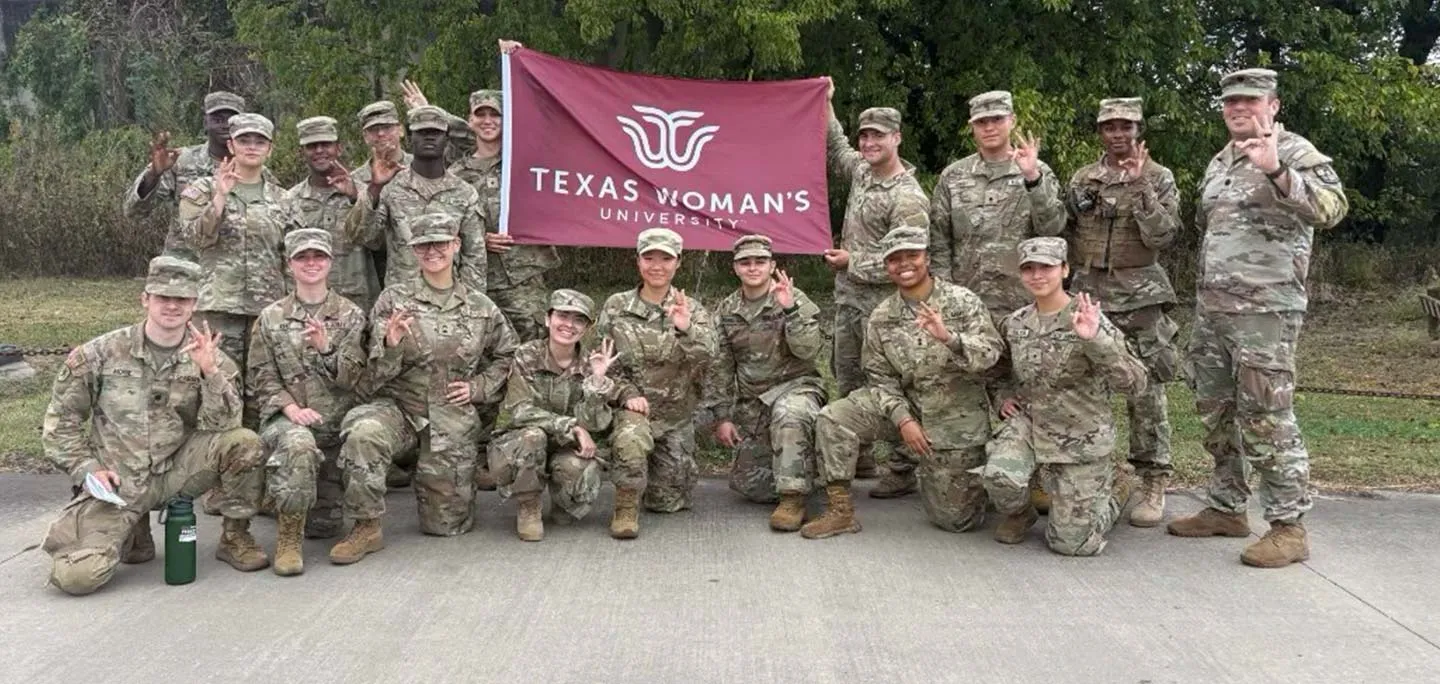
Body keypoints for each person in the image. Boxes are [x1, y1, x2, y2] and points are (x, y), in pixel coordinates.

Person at [1166, 68, 1348, 568]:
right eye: (1231, 103)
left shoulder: (1295, 154)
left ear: (1273, 105)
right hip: (1215, 311)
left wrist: (1277, 171)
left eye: (1250, 101)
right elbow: (1211, 228)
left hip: (1266, 313)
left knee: (1267, 417)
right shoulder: (1220, 160)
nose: (1239, 109)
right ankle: (1227, 507)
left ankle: (1289, 527)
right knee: (1216, 412)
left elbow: (1332, 209)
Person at [40, 256, 269, 595]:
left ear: (195, 304)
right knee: (78, 578)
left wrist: (210, 374)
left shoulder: (211, 356)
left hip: (178, 471)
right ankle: (134, 530)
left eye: (182, 299)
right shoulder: (101, 354)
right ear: (145, 299)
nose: (172, 306)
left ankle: (235, 535)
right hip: (121, 481)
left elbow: (225, 425)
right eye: (163, 297)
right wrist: (87, 469)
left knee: (245, 443)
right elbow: (61, 423)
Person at [330, 213, 517, 563]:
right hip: (399, 407)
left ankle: (435, 479)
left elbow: (509, 355)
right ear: (414, 251)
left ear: (456, 245)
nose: (433, 251)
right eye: (424, 245)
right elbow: (371, 375)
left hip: (449, 417)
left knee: (447, 525)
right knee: (364, 432)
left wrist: (478, 387)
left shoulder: (480, 307)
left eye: (440, 243)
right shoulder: (393, 300)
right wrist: (391, 342)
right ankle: (365, 527)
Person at [801, 227, 1003, 540]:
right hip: (905, 408)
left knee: (957, 520)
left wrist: (950, 339)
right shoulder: (883, 316)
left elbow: (991, 355)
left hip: (954, 417)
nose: (904, 264)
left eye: (912, 255)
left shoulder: (962, 302)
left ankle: (978, 476)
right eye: (895, 259)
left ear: (927, 259)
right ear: (886, 266)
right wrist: (903, 419)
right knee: (835, 417)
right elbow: (879, 376)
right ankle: (840, 511)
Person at [978, 237, 1148, 556]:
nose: (1037, 275)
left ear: (1065, 270)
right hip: (1032, 425)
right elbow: (997, 370)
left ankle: (1117, 487)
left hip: (1080, 437)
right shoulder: (1015, 323)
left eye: (1047, 267)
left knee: (1071, 544)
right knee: (999, 476)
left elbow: (1135, 383)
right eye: (1029, 268)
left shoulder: (1089, 318)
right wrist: (1001, 397)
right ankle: (1020, 514)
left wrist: (1095, 340)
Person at [1063, 97, 1182, 527]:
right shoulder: (1084, 178)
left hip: (1140, 295)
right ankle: (1093, 471)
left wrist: (1142, 189)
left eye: (1125, 127)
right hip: (1090, 294)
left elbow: (1165, 236)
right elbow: (1066, 227)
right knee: (1083, 386)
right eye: (1110, 126)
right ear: (1100, 132)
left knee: (1146, 390)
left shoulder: (1158, 177)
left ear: (1138, 130)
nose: (1118, 134)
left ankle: (1152, 478)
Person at [823, 78, 931, 494]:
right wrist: (826, 102)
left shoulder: (907, 196)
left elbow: (911, 264)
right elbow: (836, 148)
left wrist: (855, 262)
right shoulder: (864, 175)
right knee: (846, 374)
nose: (868, 143)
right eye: (864, 135)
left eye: (878, 136)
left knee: (890, 382)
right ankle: (861, 452)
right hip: (850, 301)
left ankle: (902, 468)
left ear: (897, 138)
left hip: (886, 308)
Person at [248, 229, 368, 574]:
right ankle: (288, 540)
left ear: (331, 263)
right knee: (298, 444)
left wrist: (326, 348)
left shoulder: (351, 315)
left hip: (334, 425)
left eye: (318, 256)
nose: (311, 263)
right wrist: (291, 409)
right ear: (290, 265)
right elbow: (261, 376)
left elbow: (353, 380)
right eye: (302, 257)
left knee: (326, 526)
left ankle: (282, 495)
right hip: (289, 422)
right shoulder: (270, 317)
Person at [595, 228, 718, 539]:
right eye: (649, 258)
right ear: (638, 261)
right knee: (631, 437)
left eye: (666, 259)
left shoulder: (691, 308)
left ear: (678, 263)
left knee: (667, 502)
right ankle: (625, 506)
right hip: (635, 411)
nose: (657, 266)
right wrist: (626, 393)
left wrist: (686, 327)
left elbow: (709, 356)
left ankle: (650, 472)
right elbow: (602, 362)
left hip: (676, 418)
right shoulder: (616, 306)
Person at [171, 112, 288, 430]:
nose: (252, 146)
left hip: (266, 310)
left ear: (270, 148)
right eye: (244, 140)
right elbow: (195, 237)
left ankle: (255, 458)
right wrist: (220, 197)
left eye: (259, 141)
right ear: (231, 145)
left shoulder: (282, 198)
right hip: (219, 306)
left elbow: (290, 257)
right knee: (216, 383)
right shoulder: (203, 189)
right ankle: (219, 459)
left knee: (261, 388)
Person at [704, 234, 826, 531]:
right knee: (754, 488)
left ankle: (792, 499)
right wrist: (722, 417)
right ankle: (811, 473)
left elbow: (809, 350)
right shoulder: (727, 310)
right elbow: (720, 367)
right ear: (735, 268)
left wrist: (790, 310)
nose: (753, 268)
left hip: (796, 388)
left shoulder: (792, 298)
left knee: (790, 414)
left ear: (772, 265)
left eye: (760, 261)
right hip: (754, 403)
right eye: (745, 262)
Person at [488, 290, 626, 541]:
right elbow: (520, 411)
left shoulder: (591, 363)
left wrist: (597, 382)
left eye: (578, 320)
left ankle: (562, 499)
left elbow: (596, 425)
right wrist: (572, 426)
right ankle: (529, 505)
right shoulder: (527, 355)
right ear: (548, 319)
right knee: (533, 436)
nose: (569, 325)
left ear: (586, 328)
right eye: (562, 315)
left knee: (566, 515)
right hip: (521, 443)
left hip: (565, 447)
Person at [928, 90, 1066, 316]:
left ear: (1012, 120)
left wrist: (1032, 178)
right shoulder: (953, 176)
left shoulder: (1038, 172)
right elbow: (939, 242)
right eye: (981, 122)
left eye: (997, 119)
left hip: (1024, 306)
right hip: (968, 303)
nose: (989, 127)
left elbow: (1053, 230)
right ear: (972, 126)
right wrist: (946, 293)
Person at [450, 86, 560, 342]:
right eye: (480, 114)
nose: (488, 121)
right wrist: (480, 239)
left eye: (495, 114)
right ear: (470, 120)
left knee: (533, 344)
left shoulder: (527, 164)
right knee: (482, 345)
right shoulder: (456, 175)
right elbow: (448, 226)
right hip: (479, 278)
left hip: (523, 277)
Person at [348, 104, 487, 304]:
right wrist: (375, 188)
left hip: (450, 302)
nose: (429, 137)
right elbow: (364, 237)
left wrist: (469, 306)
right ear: (410, 137)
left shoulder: (464, 193)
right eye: (421, 132)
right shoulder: (391, 189)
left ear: (446, 139)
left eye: (435, 133)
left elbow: (475, 257)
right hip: (403, 300)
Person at [283, 116, 378, 314]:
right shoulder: (289, 200)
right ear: (302, 153)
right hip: (307, 306)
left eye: (326, 144)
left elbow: (378, 242)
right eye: (311, 146)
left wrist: (355, 198)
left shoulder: (365, 193)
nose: (319, 151)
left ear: (339, 148)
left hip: (357, 304)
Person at [123, 91, 245, 224]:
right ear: (205, 123)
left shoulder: (253, 166)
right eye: (217, 119)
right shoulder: (180, 160)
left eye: (231, 120)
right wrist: (153, 175)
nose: (225, 125)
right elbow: (132, 212)